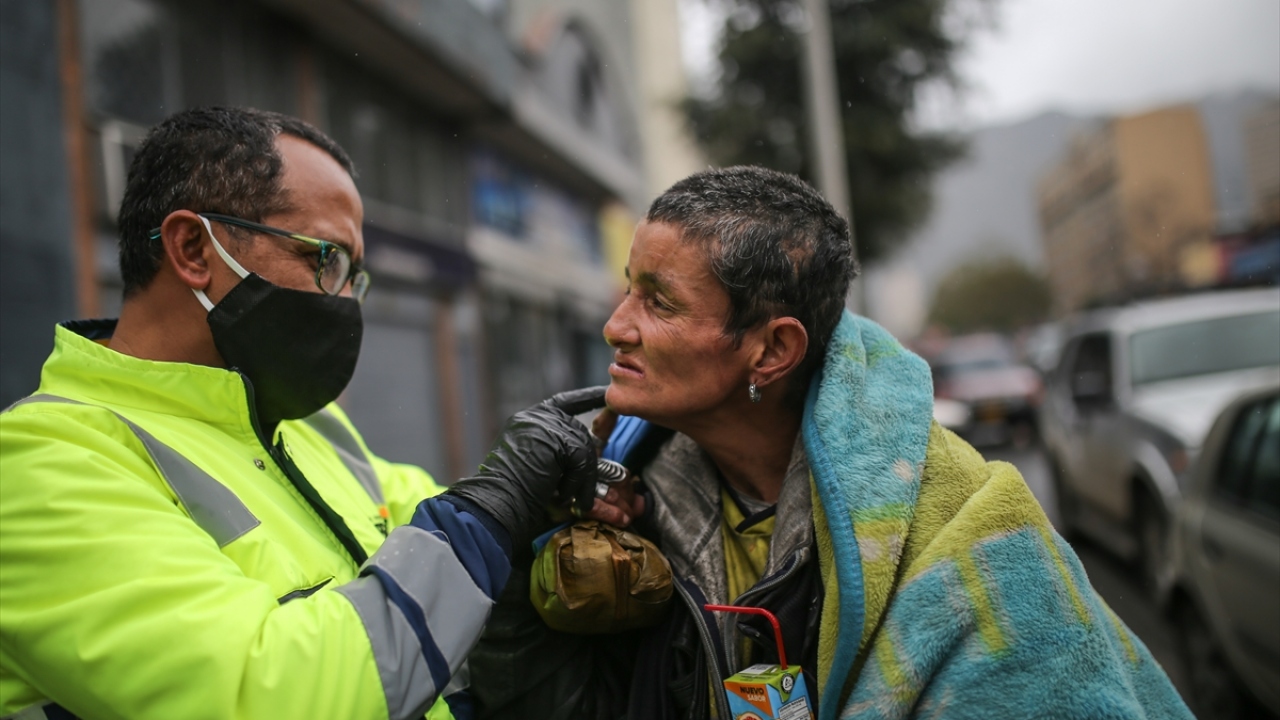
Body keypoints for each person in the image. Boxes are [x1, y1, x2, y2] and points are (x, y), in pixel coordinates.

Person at [468, 166, 1193, 719]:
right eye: (628, 289)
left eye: (659, 301)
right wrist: (526, 543)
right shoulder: (616, 494)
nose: (616, 325)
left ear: (771, 351)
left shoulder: (970, 539)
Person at [0, 107, 615, 720]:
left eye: (355, 276)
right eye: (328, 261)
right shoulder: (43, 464)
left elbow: (437, 528)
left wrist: (552, 508)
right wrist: (492, 509)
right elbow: (268, 696)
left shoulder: (301, 424)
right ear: (192, 248)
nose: (346, 300)